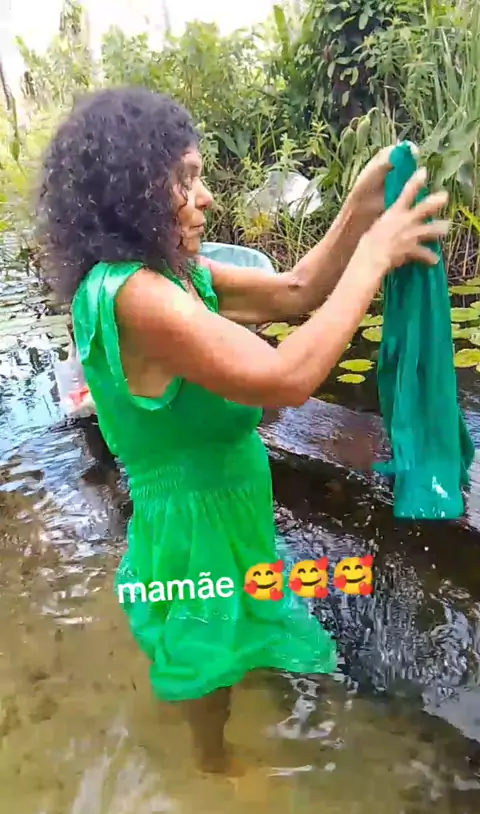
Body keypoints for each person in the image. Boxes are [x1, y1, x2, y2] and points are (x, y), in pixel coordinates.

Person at [36, 86, 449, 776]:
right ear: (132, 191)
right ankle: (213, 766)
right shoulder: (133, 296)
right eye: (185, 180)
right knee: (208, 660)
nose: (205, 199)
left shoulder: (172, 276)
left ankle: (230, 738)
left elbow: (295, 292)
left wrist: (362, 202)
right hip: (194, 528)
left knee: (236, 635)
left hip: (228, 503)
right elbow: (286, 376)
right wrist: (375, 256)